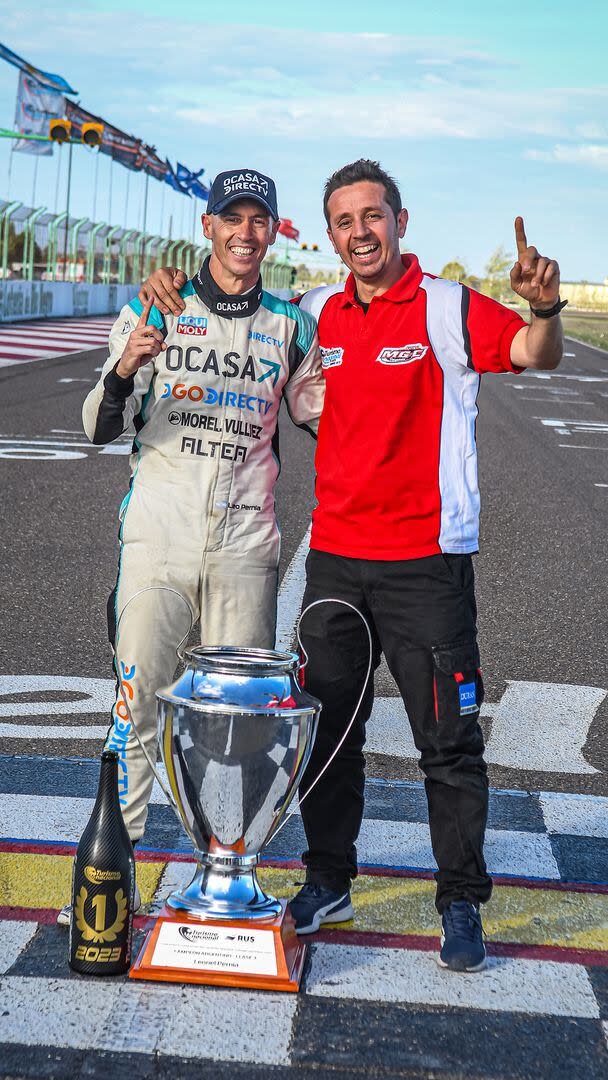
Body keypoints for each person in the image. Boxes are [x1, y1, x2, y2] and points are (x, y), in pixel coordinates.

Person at [138, 159, 563, 971]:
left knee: (449, 742)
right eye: (344, 221)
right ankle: (327, 878)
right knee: (329, 734)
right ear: (331, 234)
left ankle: (460, 901)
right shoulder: (312, 312)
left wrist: (543, 305)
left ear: (401, 221)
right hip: (334, 560)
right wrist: (167, 283)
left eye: (374, 216)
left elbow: (535, 352)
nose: (360, 232)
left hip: (427, 565)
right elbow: (231, 305)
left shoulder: (444, 305)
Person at [57, 168, 323, 926]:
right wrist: (128, 365)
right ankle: (114, 875)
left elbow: (329, 420)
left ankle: (226, 882)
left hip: (244, 546)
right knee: (138, 706)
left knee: (236, 722)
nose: (246, 233)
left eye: (259, 221)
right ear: (207, 226)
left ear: (272, 231)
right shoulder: (156, 304)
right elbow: (98, 426)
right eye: (231, 218)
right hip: (159, 539)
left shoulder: (289, 326)